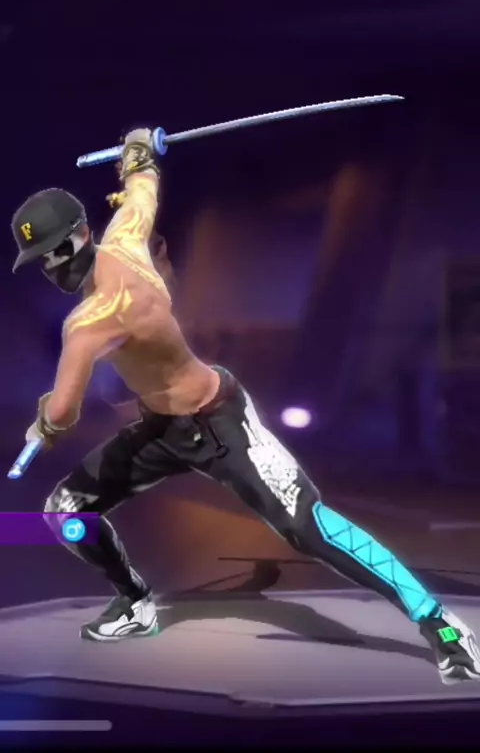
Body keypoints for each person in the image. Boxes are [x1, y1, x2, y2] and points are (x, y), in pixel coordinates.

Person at [10, 129, 480, 685]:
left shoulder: (87, 324)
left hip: (221, 422)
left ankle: (440, 623)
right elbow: (142, 187)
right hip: (161, 429)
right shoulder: (126, 237)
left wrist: (45, 418)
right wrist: (138, 152)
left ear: (84, 234)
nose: (55, 266)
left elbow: (62, 414)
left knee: (310, 529)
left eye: (59, 250)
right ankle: (135, 602)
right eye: (43, 260)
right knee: (66, 510)